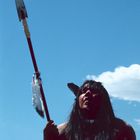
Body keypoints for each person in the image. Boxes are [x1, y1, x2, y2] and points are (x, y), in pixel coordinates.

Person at [44, 80, 136, 140]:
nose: (87, 93)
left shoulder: (122, 129)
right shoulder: (62, 131)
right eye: (83, 91)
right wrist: (48, 138)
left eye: (94, 91)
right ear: (77, 100)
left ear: (103, 99)